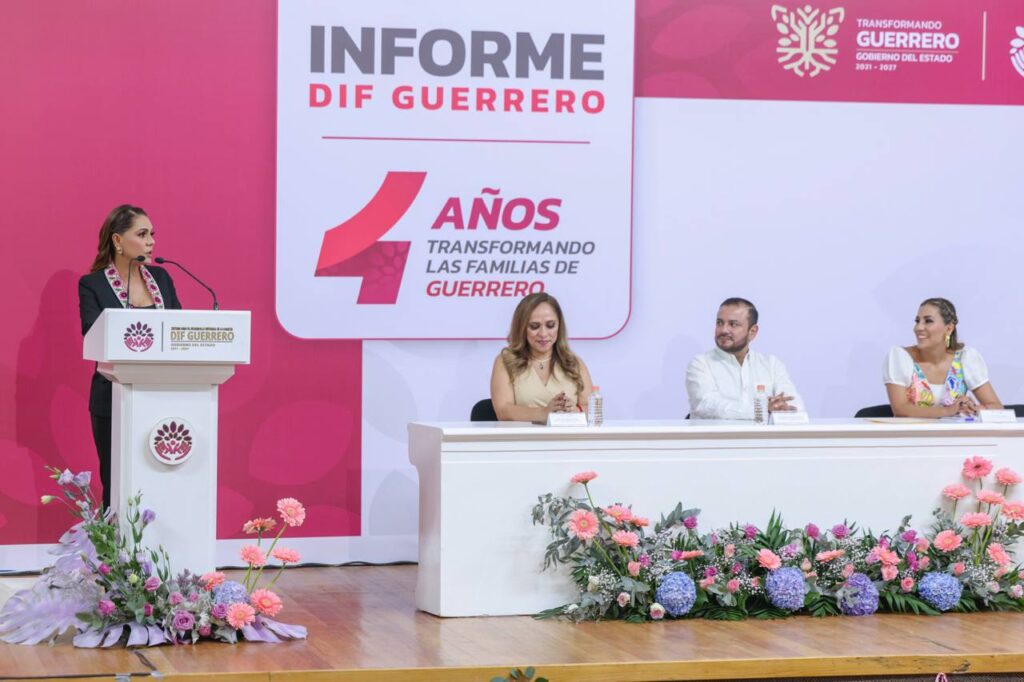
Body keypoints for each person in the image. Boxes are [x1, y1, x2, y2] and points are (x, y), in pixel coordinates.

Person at [78, 205, 181, 508]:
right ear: (118, 240)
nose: (151, 241)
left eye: (152, 234)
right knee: (117, 481)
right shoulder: (93, 284)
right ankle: (115, 539)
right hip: (112, 398)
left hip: (162, 396)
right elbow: (92, 334)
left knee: (159, 480)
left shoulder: (161, 278)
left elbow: (178, 330)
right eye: (142, 234)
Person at [686, 297, 804, 419]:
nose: (724, 330)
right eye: (719, 323)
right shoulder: (701, 364)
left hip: (763, 432)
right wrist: (763, 408)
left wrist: (780, 407)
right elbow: (707, 406)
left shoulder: (771, 365)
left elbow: (794, 404)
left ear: (752, 331)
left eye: (733, 324)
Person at [883, 298, 1001, 418]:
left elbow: (996, 407)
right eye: (917, 321)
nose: (918, 327)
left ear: (949, 329)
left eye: (928, 321)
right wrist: (948, 411)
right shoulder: (901, 357)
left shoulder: (965, 358)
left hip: (954, 431)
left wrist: (972, 408)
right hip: (913, 431)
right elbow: (900, 409)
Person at [490, 292, 593, 423]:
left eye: (550, 325)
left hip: (566, 436)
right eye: (534, 326)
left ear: (559, 326)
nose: (543, 334)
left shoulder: (574, 363)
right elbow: (503, 411)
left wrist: (576, 410)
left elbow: (591, 409)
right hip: (521, 436)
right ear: (522, 328)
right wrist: (544, 413)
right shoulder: (506, 361)